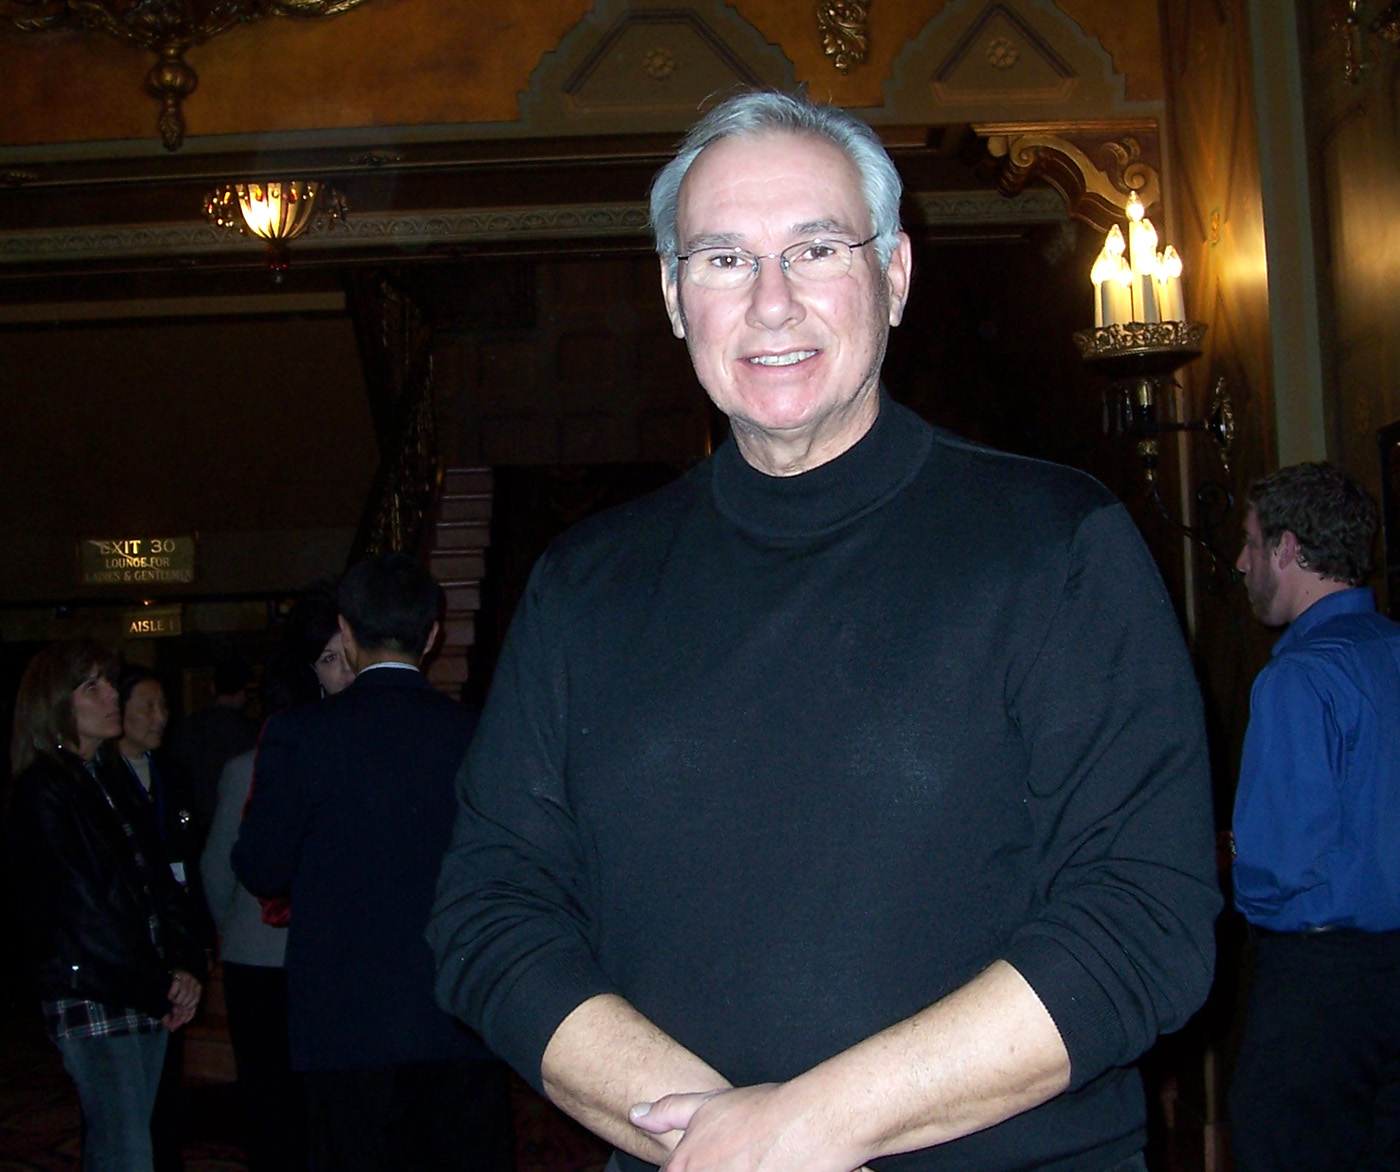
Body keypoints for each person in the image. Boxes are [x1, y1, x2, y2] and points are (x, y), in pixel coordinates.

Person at [428, 89, 1220, 1172]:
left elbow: (1142, 918)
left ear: (893, 274)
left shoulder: (1055, 543)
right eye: (723, 259)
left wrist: (808, 1126)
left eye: (814, 250)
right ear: (673, 296)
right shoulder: (582, 584)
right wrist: (719, 1139)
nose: (771, 303)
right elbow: (490, 911)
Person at [232, 553, 514, 1172]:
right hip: (460, 1011)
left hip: (348, 1022)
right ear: (432, 636)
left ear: (347, 632)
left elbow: (261, 869)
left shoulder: (301, 736)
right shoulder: (481, 734)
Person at [1227, 461, 1400, 1171]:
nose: (1242, 563)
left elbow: (1276, 868)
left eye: (1250, 543)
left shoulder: (1299, 677)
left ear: (1288, 548)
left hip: (1323, 989)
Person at [5, 640, 206, 1172]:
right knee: (125, 1150)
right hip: (96, 988)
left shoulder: (110, 776)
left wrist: (183, 963)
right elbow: (80, 912)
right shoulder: (44, 790)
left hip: (141, 983)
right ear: (56, 704)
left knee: (135, 1142)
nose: (111, 694)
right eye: (91, 686)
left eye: (109, 682)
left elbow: (161, 883)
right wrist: (159, 982)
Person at [200, 586, 350, 1172]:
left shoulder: (347, 753)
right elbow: (219, 868)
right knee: (275, 1108)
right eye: (330, 659)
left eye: (349, 657)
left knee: (319, 1110)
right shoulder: (250, 766)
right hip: (266, 961)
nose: (345, 672)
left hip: (320, 959)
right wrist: (239, 930)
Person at [115, 664, 207, 1172]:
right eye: (147, 707)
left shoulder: (172, 773)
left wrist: (194, 943)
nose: (160, 717)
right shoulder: (99, 779)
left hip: (173, 937)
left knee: (167, 1081)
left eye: (164, 705)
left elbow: (188, 860)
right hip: (128, 947)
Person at [166, 657, 258, 844]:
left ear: (212, 688)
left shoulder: (187, 728)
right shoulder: (252, 733)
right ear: (242, 693)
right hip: (237, 824)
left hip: (196, 824)